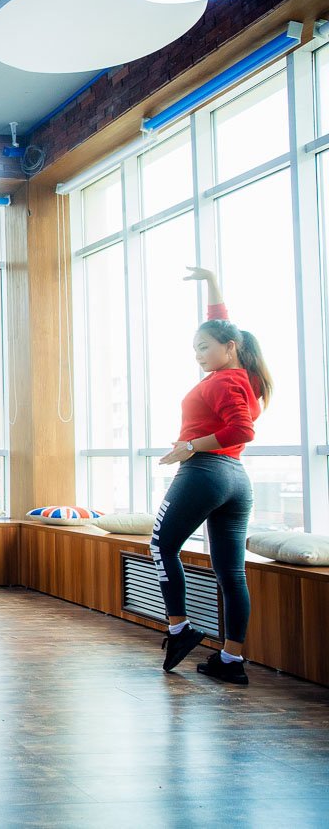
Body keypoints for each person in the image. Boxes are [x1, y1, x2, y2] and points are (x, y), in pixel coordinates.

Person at [154, 267, 270, 686]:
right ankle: (230, 660)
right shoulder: (247, 376)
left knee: (161, 546)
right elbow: (224, 326)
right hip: (236, 480)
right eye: (195, 349)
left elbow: (242, 431)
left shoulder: (223, 382)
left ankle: (180, 629)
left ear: (230, 347)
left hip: (205, 473)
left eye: (204, 348)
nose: (198, 355)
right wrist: (213, 283)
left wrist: (190, 446)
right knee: (231, 573)